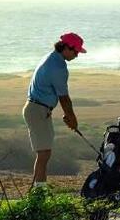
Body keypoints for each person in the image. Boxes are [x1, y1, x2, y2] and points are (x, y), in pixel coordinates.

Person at [22, 32, 87, 190]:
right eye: (75, 51)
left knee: (44, 153)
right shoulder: (58, 67)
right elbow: (64, 98)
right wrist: (72, 118)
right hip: (37, 110)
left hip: (39, 109)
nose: (77, 55)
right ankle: (39, 192)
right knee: (44, 153)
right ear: (66, 48)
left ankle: (37, 190)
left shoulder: (51, 57)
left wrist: (67, 115)